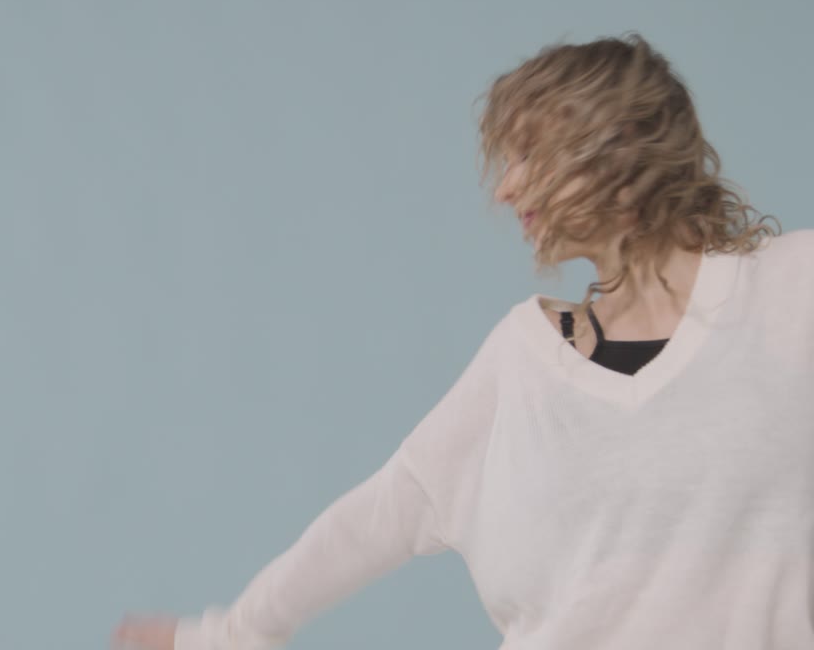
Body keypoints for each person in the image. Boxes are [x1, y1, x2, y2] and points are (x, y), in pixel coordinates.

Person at [111, 34, 813, 650]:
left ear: (617, 145)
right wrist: (228, 635)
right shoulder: (524, 360)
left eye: (528, 154)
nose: (505, 189)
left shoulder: (792, 290)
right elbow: (382, 512)